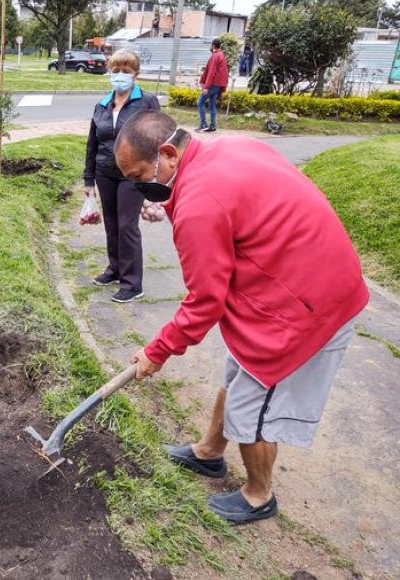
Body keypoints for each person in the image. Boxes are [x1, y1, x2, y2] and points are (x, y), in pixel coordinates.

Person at [114, 111, 369, 524]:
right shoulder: (229, 147)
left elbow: (204, 302)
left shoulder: (200, 202)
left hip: (309, 306)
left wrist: (156, 352)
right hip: (297, 280)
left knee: (253, 408)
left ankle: (258, 494)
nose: (143, 189)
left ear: (168, 154)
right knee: (239, 373)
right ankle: (210, 453)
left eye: (142, 177)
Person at [84, 49, 160, 303]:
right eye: (115, 71)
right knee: (112, 223)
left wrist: (152, 176)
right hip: (105, 172)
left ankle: (132, 283)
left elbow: (157, 139)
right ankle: (115, 269)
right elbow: (92, 143)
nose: (119, 76)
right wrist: (88, 180)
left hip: (133, 175)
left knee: (128, 226)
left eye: (125, 72)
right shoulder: (102, 104)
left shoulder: (147, 101)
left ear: (135, 74)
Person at [196, 38, 229, 133]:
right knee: (212, 104)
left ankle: (203, 125)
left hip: (212, 84)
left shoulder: (215, 56)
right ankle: (212, 126)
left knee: (200, 102)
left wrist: (206, 87)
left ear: (213, 46)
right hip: (218, 85)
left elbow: (211, 72)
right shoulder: (222, 55)